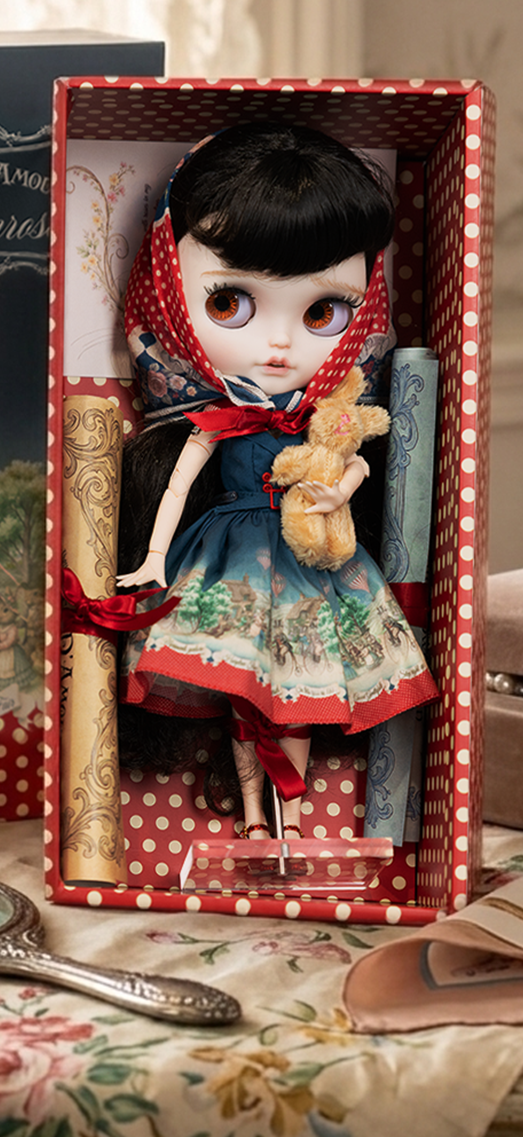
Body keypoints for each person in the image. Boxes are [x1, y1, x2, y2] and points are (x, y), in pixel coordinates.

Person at [116, 122, 437, 841]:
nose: (281, 344)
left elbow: (353, 463)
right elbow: (176, 487)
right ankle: (255, 817)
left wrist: (340, 489)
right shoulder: (217, 420)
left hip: (310, 560)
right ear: (167, 287)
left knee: (301, 693)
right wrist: (154, 558)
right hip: (227, 556)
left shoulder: (323, 421)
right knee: (243, 694)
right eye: (228, 302)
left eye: (322, 312)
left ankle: (290, 822)